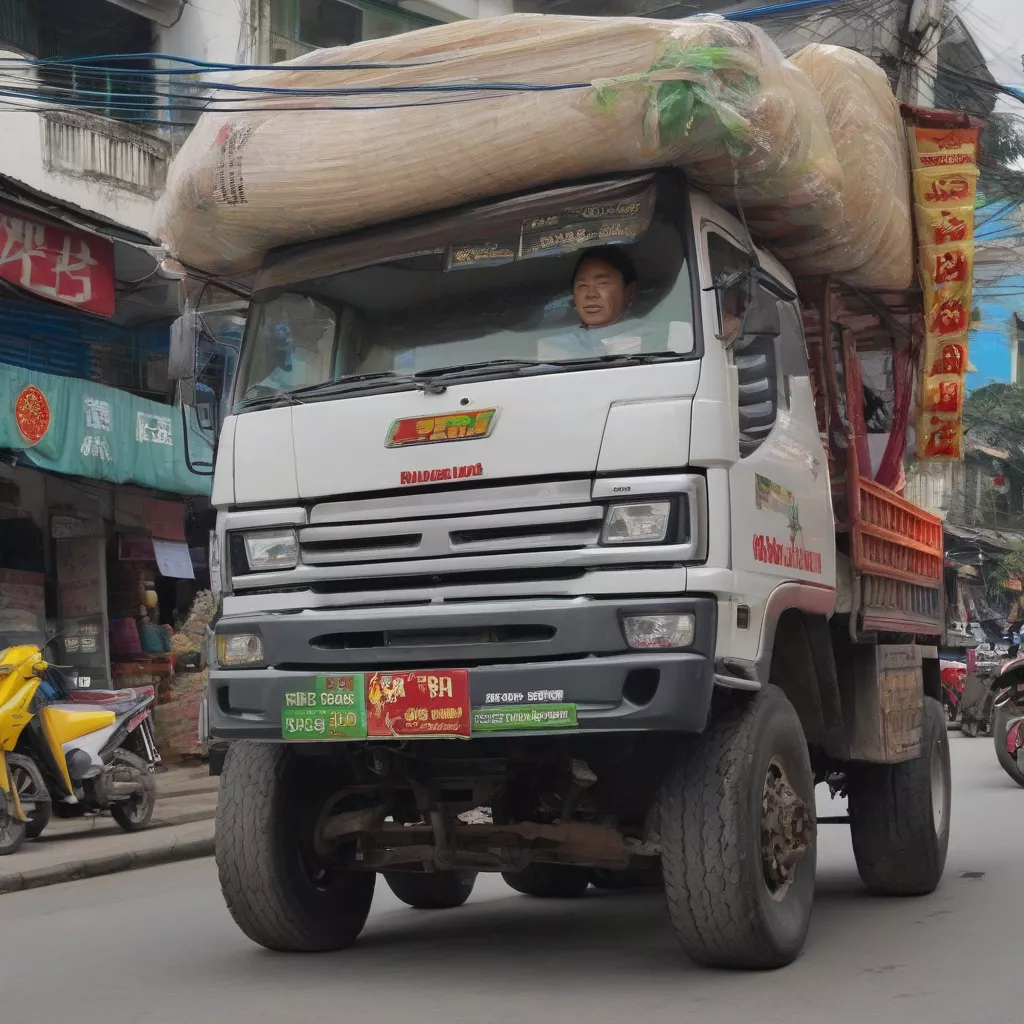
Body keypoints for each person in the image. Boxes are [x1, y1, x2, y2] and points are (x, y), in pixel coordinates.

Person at [538, 246, 641, 359]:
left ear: (629, 291)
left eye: (602, 283)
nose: (591, 294)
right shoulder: (555, 348)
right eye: (582, 285)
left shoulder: (652, 342)